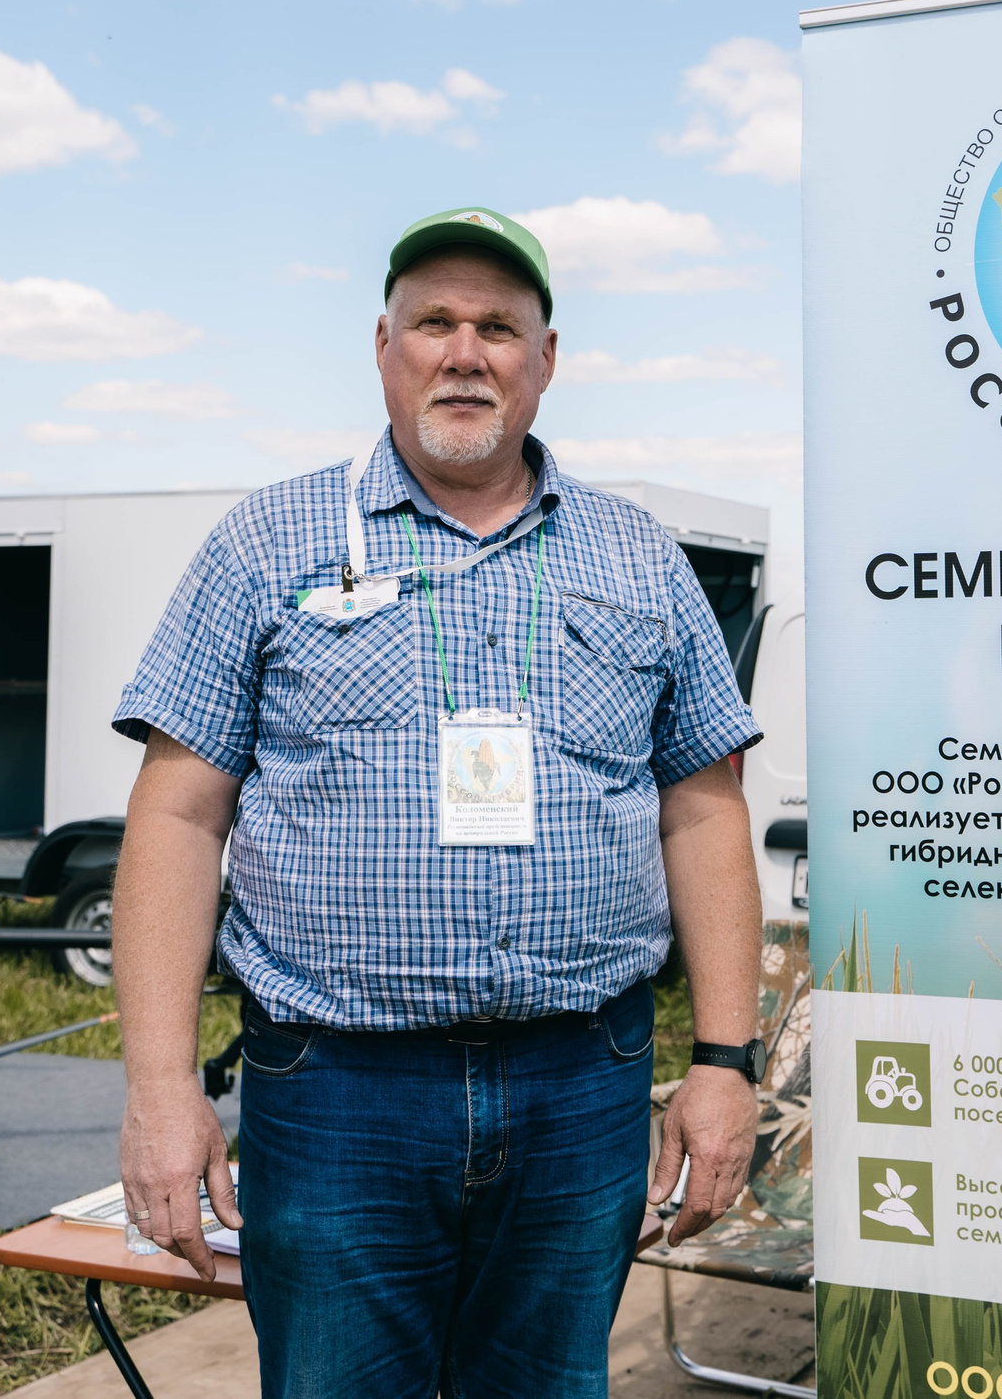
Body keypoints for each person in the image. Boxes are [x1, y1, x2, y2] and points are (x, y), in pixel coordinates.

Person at [109, 206, 766, 1399]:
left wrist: (725, 1061)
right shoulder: (267, 543)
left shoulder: (637, 555)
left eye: (500, 328)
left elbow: (704, 807)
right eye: (435, 322)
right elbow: (176, 817)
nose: (465, 352)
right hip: (339, 1094)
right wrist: (159, 1090)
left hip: (586, 1084)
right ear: (383, 346)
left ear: (546, 362)